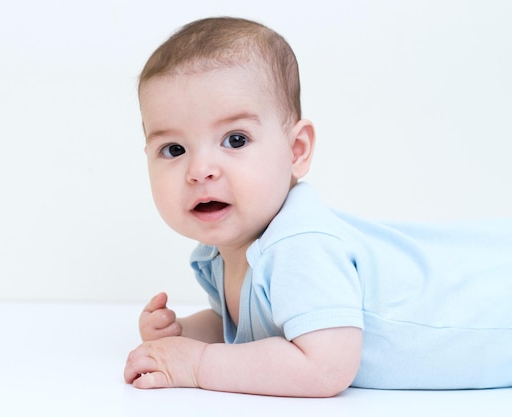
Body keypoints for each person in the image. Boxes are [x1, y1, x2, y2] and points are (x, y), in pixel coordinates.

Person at [123, 16, 512, 397]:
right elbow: (260, 330)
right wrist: (183, 336)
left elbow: (325, 366)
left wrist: (198, 364)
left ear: (297, 150)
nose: (200, 170)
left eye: (235, 140)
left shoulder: (299, 245)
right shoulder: (220, 256)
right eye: (173, 149)